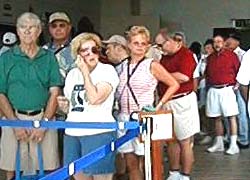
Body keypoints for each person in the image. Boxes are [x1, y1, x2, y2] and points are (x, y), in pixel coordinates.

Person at [0, 12, 62, 180]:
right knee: (11, 167)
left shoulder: (48, 57)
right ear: (17, 31)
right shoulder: (6, 58)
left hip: (44, 116)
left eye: (31, 27)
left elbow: (55, 91)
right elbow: (0, 93)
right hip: (13, 116)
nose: (27, 31)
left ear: (39, 31)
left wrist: (44, 124)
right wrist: (15, 124)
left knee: (49, 167)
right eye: (22, 27)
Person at [116, 26, 179, 180]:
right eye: (136, 43)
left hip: (144, 117)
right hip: (124, 117)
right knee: (131, 163)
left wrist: (158, 106)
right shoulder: (122, 66)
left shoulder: (151, 65)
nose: (140, 47)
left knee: (149, 164)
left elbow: (173, 84)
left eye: (143, 43)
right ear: (129, 44)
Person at [57, 32, 119, 180]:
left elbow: (95, 99)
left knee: (100, 176)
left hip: (98, 131)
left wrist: (85, 73)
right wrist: (64, 106)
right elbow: (74, 107)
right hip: (73, 131)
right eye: (85, 50)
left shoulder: (107, 70)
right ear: (77, 54)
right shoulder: (72, 74)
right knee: (77, 175)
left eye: (94, 49)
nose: (90, 54)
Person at [155, 29, 200, 180]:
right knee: (171, 139)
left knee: (184, 140)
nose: (160, 48)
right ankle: (174, 172)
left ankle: (185, 174)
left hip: (182, 101)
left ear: (175, 41)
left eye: (162, 44)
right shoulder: (164, 57)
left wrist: (161, 76)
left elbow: (183, 76)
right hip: (166, 100)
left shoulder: (186, 55)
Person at [206, 34, 240, 155]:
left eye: (219, 41)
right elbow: (207, 74)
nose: (217, 44)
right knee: (216, 117)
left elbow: (238, 72)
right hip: (214, 89)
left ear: (224, 43)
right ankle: (219, 143)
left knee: (231, 116)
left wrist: (236, 87)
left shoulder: (232, 56)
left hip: (227, 88)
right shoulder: (210, 58)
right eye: (215, 42)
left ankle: (233, 144)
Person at [225, 33, 249, 149]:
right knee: (229, 113)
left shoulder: (243, 54)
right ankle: (231, 136)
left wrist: (239, 87)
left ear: (237, 42)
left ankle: (244, 138)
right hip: (229, 87)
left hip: (239, 87)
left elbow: (243, 76)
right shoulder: (226, 54)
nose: (227, 43)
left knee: (241, 113)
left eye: (230, 41)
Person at [43, 11, 74, 80]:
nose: (58, 29)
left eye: (62, 25)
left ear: (69, 28)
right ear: (49, 29)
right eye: (54, 26)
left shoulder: (77, 48)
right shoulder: (43, 50)